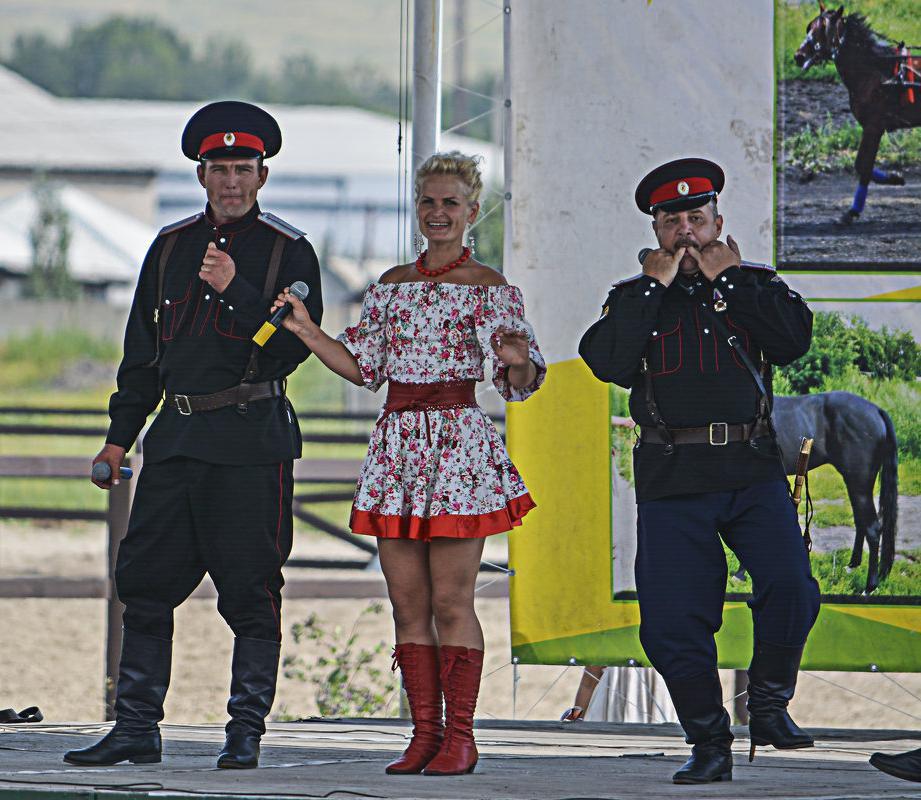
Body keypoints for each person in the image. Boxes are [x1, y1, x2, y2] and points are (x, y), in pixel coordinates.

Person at [63, 101, 323, 771]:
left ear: (262, 176)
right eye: (218, 169)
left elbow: (290, 349)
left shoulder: (288, 252)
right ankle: (135, 727)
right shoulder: (170, 248)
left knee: (250, 592)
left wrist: (236, 290)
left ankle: (244, 732)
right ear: (200, 175)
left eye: (243, 168)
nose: (231, 181)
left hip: (248, 441)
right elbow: (142, 356)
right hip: (175, 440)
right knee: (143, 583)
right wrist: (119, 439)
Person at [270, 151, 544, 776]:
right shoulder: (390, 285)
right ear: (416, 208)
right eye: (428, 201)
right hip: (397, 447)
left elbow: (519, 382)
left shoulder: (491, 287)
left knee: (452, 600)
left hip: (457, 448)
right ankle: (424, 733)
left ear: (473, 211)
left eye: (451, 202)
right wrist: (311, 332)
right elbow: (363, 367)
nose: (439, 212)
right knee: (406, 602)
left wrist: (518, 357)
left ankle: (462, 736)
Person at [578, 158, 821, 785]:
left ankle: (768, 708)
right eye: (672, 222)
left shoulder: (752, 283)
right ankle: (708, 740)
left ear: (718, 223)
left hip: (751, 468)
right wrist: (654, 289)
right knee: (672, 619)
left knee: (792, 585)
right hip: (673, 475)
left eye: (697, 218)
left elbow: (794, 340)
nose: (686, 232)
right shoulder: (634, 299)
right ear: (655, 232)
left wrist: (733, 279)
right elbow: (605, 360)